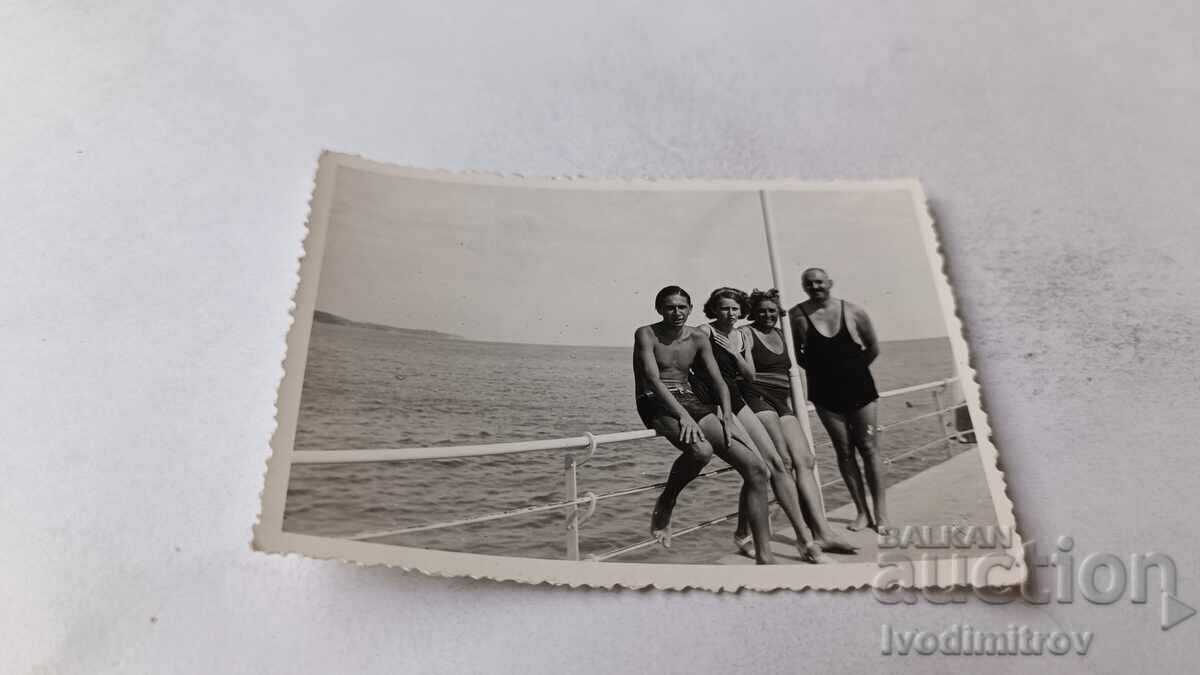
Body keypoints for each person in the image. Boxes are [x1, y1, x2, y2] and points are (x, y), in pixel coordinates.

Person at [696, 288, 857, 563]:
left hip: (780, 402)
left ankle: (821, 532)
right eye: (761, 311)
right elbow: (739, 374)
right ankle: (802, 539)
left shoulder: (780, 334)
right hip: (753, 399)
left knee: (804, 460)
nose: (767, 315)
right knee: (776, 464)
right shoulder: (738, 332)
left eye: (772, 310)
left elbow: (778, 368)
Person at [632, 285, 775, 564]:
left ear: (690, 309)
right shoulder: (646, 333)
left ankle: (765, 557)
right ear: (659, 309)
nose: (677, 312)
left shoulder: (697, 337)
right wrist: (684, 417)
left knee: (758, 470)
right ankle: (667, 501)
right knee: (701, 451)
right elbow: (652, 380)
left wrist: (726, 413)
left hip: (690, 398)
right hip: (654, 399)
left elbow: (719, 380)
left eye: (682, 307)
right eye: (670, 307)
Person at [790, 268, 887, 532]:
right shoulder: (797, 315)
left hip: (860, 389)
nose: (815, 286)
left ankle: (882, 514)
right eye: (809, 283)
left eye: (819, 281)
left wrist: (851, 371)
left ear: (830, 283)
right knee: (843, 451)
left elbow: (873, 347)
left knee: (868, 448)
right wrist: (826, 373)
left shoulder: (854, 311)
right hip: (824, 393)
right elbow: (799, 355)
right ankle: (861, 511)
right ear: (803, 286)